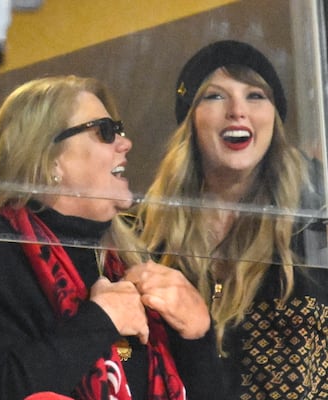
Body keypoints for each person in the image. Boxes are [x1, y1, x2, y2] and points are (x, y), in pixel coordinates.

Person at [0, 75, 221, 399]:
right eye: (105, 132)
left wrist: (200, 335)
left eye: (118, 130)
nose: (125, 142)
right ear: (51, 161)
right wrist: (101, 319)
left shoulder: (133, 255)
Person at [132, 40, 328, 399]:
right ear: (190, 119)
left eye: (255, 95)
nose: (238, 111)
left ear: (274, 118)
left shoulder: (313, 231)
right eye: (215, 96)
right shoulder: (142, 235)